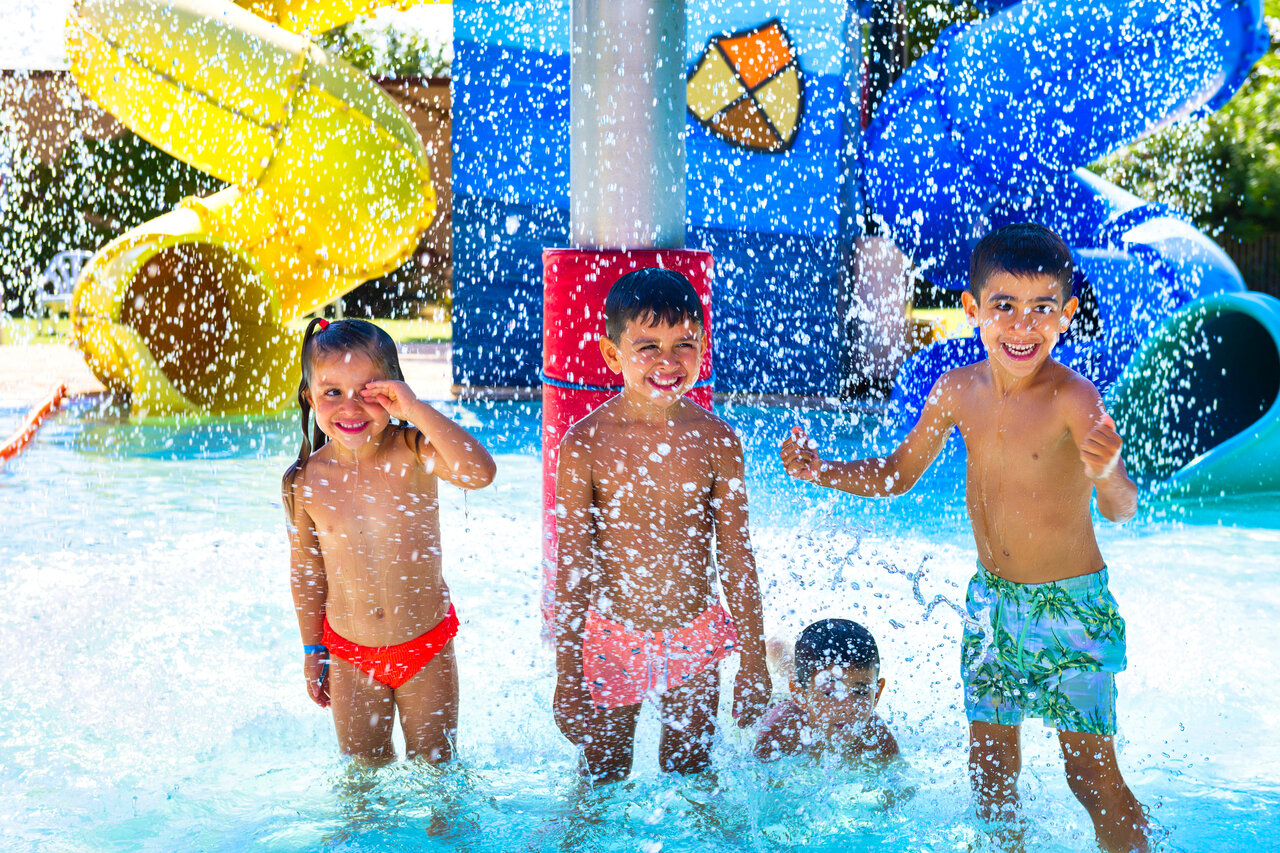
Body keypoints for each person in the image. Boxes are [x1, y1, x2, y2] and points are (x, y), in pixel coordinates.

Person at [781, 223, 1149, 852]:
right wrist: (824, 472)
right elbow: (899, 473)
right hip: (992, 604)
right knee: (991, 776)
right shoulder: (956, 391)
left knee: (1089, 776)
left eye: (1042, 310)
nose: (1022, 327)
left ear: (1066, 316)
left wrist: (1108, 470)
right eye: (1004, 307)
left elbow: (1121, 509)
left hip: (1072, 609)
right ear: (972, 310)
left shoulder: (1073, 398)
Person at [552, 267, 771, 784]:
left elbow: (737, 557)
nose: (668, 362)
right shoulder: (586, 443)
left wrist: (754, 661)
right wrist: (567, 674)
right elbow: (573, 565)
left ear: (703, 345)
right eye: (647, 345)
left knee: (691, 773)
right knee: (601, 776)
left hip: (693, 635)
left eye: (684, 344)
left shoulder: (716, 441)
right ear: (612, 355)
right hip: (611, 638)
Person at [282, 318, 496, 764]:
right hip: (349, 654)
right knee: (364, 781)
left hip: (425, 646)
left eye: (368, 391)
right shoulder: (304, 481)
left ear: (394, 391)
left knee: (438, 771)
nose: (351, 407)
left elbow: (480, 473)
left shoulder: (413, 450)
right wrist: (311, 650)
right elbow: (306, 571)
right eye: (332, 392)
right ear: (310, 398)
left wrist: (415, 410)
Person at [755, 619, 899, 762]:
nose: (848, 708)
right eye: (830, 693)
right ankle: (776, 649)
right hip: (781, 701)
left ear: (876, 694)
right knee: (798, 678)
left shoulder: (876, 736)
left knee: (808, 677)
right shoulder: (782, 730)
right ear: (800, 696)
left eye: (861, 692)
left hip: (808, 689)